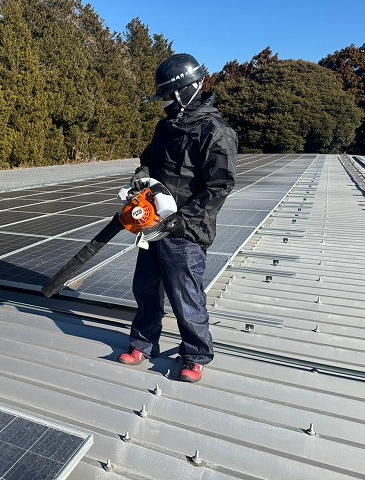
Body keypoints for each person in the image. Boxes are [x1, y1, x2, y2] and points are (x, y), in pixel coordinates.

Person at [118, 53, 237, 382]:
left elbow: (219, 186)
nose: (165, 103)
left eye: (169, 96)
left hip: (187, 229)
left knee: (185, 293)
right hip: (153, 223)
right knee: (145, 286)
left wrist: (182, 219)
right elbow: (148, 161)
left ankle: (195, 354)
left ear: (188, 90)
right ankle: (143, 342)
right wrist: (141, 175)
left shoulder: (216, 132)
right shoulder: (165, 127)